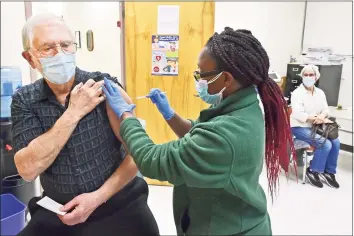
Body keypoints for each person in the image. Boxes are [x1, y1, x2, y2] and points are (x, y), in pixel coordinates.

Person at [103, 27, 296, 235]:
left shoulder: (227, 134)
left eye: (202, 75)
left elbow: (152, 160)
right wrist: (169, 113)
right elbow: (199, 133)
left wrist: (126, 116)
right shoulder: (243, 107)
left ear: (226, 79)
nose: (199, 81)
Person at [12, 14, 159, 236]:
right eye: (48, 48)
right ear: (30, 58)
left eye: (66, 45)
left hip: (117, 202)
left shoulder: (104, 87)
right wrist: (73, 112)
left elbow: (138, 153)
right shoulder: (25, 100)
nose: (60, 54)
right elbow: (27, 170)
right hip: (59, 211)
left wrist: (96, 198)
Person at [291, 64, 340, 189]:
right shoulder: (297, 93)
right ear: (302, 77)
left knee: (336, 142)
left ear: (316, 77)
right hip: (299, 126)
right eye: (305, 75)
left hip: (316, 126)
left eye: (311, 75)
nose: (308, 77)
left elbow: (326, 109)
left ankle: (329, 172)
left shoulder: (320, 93)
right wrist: (315, 118)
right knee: (325, 144)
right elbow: (298, 114)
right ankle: (313, 171)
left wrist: (322, 116)